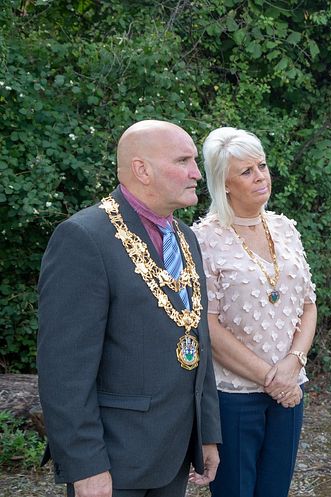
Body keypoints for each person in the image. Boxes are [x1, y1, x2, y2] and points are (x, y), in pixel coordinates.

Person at [37, 120, 222, 497]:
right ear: (142, 170)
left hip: (174, 452)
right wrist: (85, 466)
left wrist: (207, 434)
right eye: (184, 160)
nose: (196, 173)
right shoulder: (85, 237)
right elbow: (64, 370)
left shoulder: (185, 237)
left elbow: (196, 335)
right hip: (115, 460)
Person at [192, 127, 317, 497]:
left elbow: (309, 305)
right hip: (233, 398)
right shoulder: (204, 239)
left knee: (275, 491)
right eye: (246, 171)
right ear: (224, 183)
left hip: (291, 389)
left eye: (261, 166)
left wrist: (294, 364)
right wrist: (271, 377)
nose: (261, 176)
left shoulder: (285, 228)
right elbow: (207, 324)